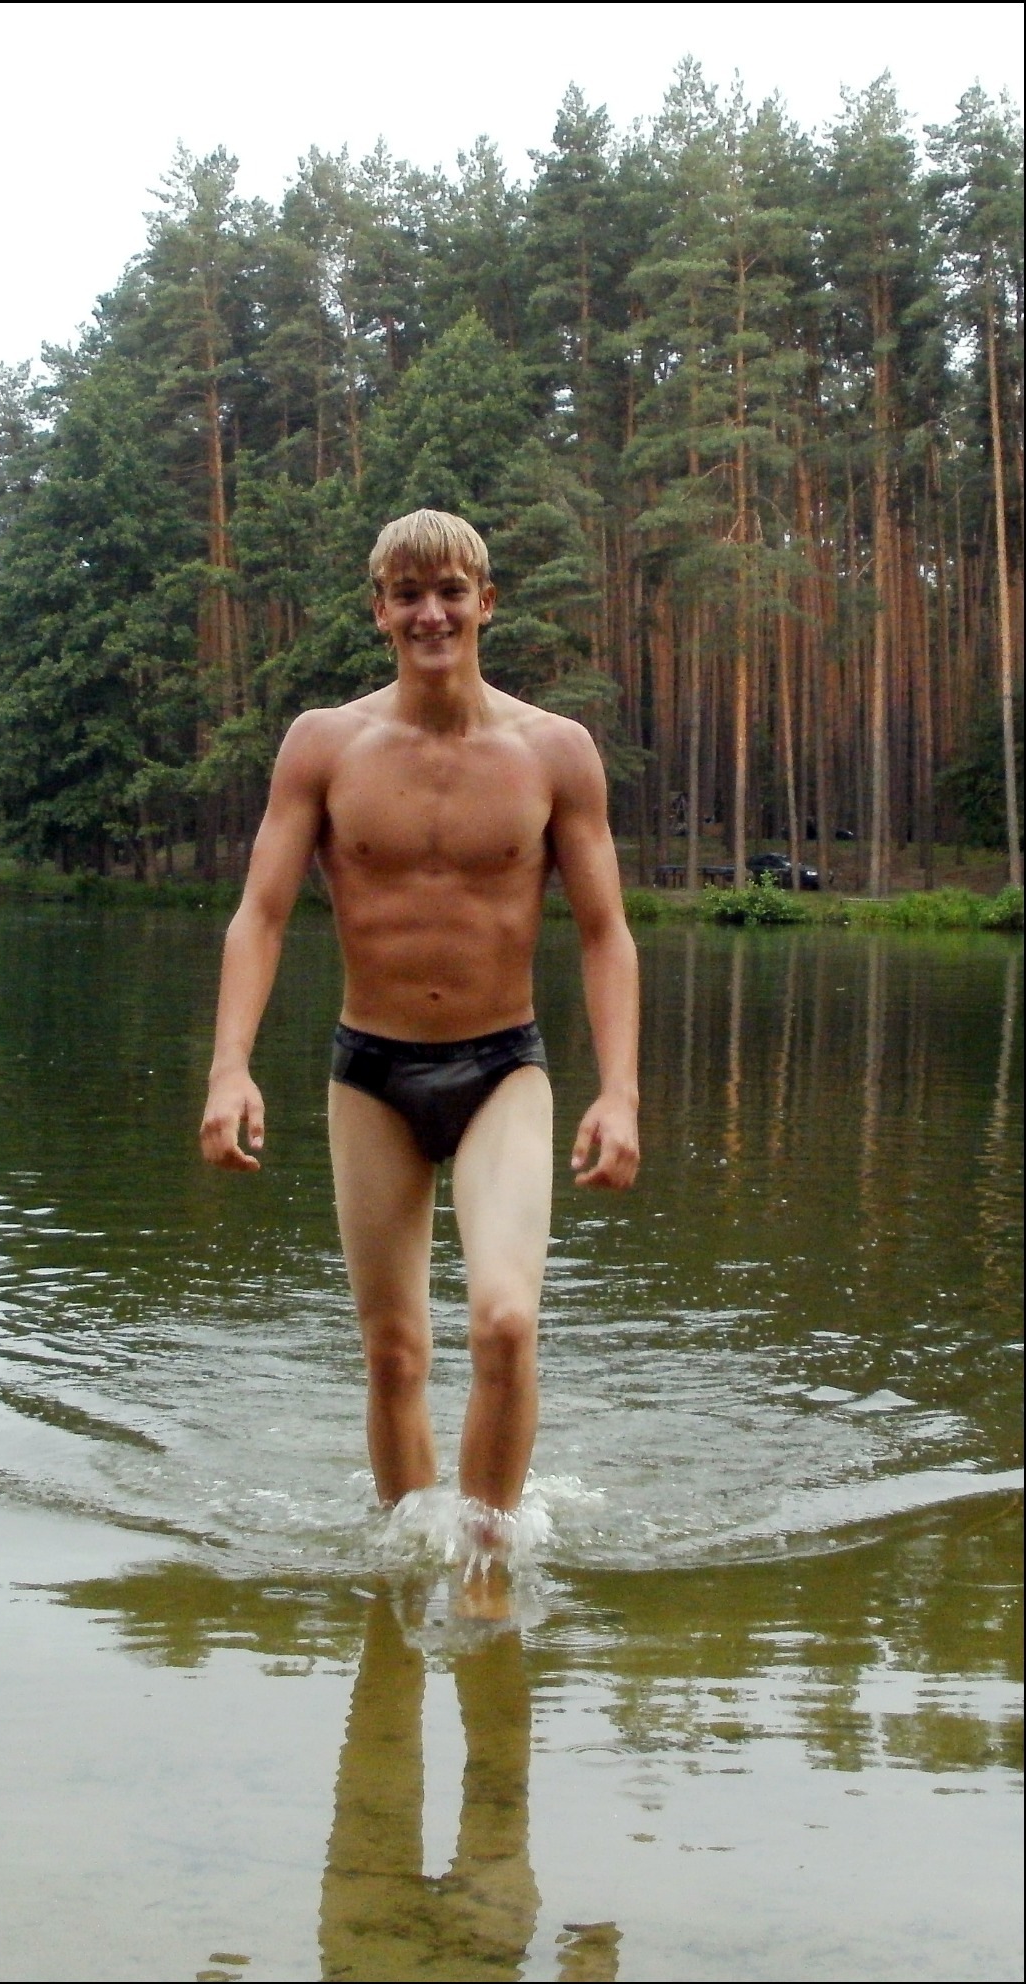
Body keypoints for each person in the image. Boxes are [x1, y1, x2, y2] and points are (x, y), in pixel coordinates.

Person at [199, 508, 639, 1533]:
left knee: (505, 1323)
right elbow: (260, 915)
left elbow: (605, 933)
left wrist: (618, 1092)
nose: (429, 613)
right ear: (380, 611)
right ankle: (401, 1570)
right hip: (371, 1073)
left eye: (449, 592)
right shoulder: (323, 745)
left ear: (485, 602)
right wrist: (229, 1067)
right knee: (393, 1353)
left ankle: (484, 1563)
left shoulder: (554, 751)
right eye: (408, 595)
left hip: (501, 1069)